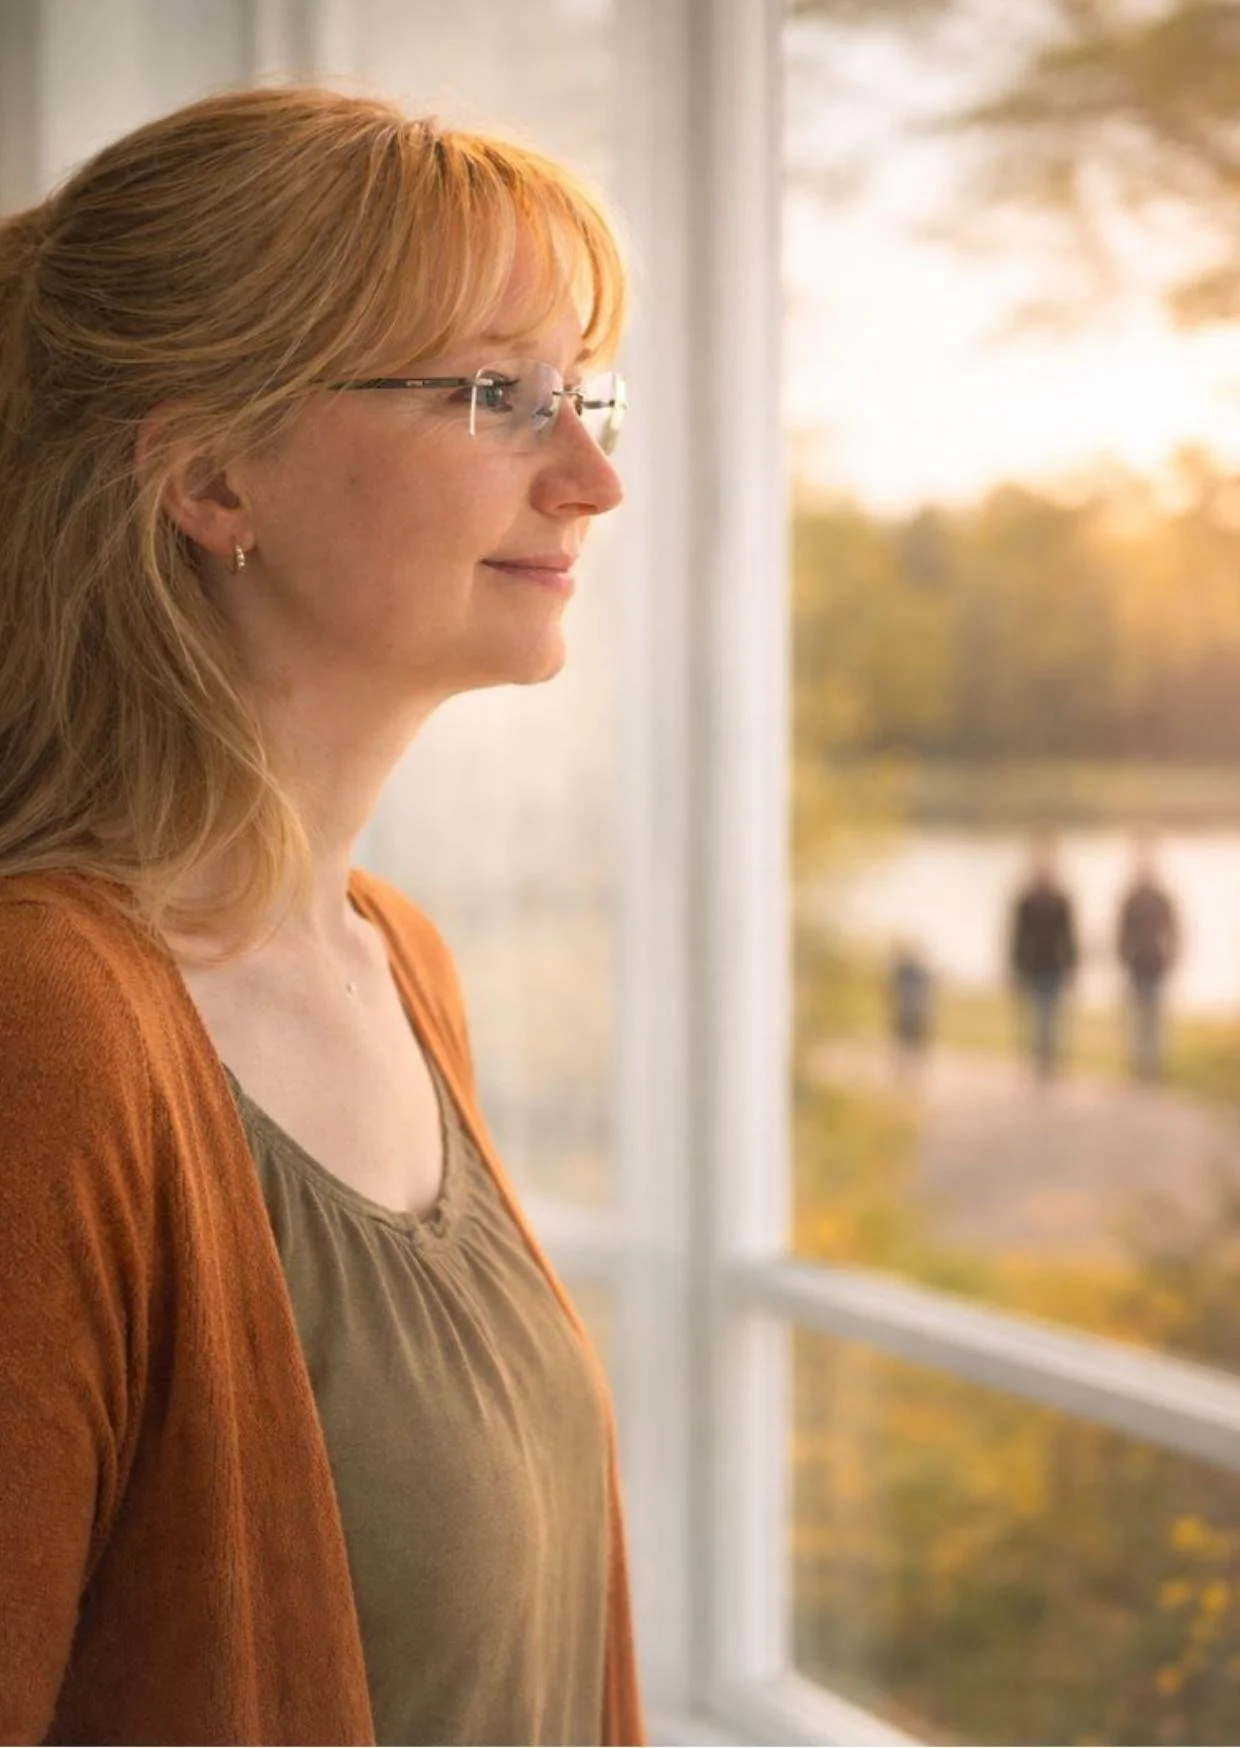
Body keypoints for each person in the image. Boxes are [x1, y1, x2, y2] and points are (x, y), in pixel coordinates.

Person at [0, 86, 644, 1746]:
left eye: (584, 397)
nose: (592, 479)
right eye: (500, 396)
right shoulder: (44, 1024)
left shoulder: (397, 960)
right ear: (216, 477)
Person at [1008, 835, 1078, 1079]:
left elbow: (1070, 937)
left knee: (1052, 1016)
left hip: (1055, 966)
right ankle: (1040, 1059)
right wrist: (1016, 967)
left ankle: (1049, 1060)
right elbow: (1016, 937)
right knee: (1038, 1015)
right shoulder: (1026, 900)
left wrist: (1071, 966)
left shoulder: (1062, 899)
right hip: (1032, 966)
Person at [1116, 834, 1180, 1083]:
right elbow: (1121, 930)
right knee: (1137, 1018)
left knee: (1154, 1018)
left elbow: (1174, 929)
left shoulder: (1162, 897)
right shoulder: (1130, 897)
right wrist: (1123, 954)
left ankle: (1152, 1066)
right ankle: (1139, 1065)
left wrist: (1172, 955)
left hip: (1156, 963)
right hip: (1135, 965)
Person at [888, 940, 935, 1078]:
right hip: (909, 1011)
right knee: (904, 1043)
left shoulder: (915, 972)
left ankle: (913, 1071)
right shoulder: (905, 971)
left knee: (913, 1044)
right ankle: (905, 1070)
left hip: (914, 1012)